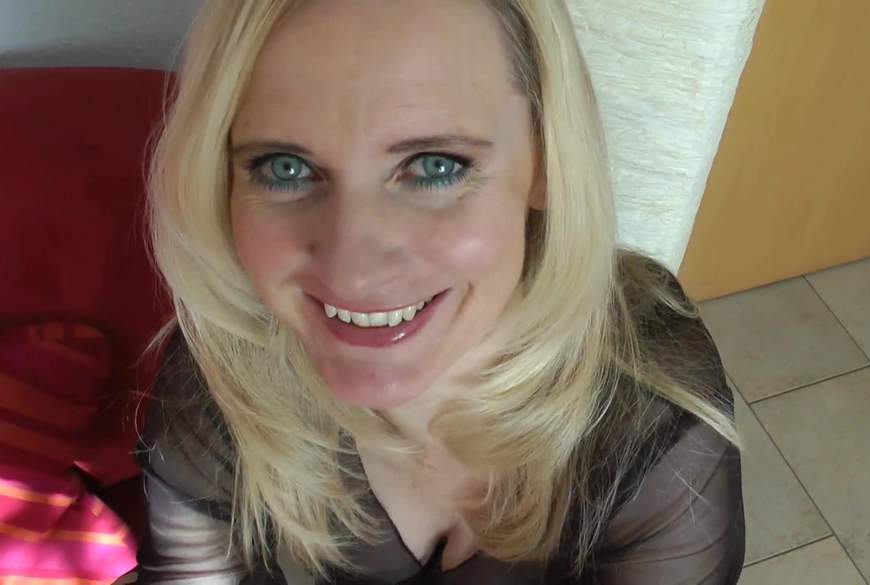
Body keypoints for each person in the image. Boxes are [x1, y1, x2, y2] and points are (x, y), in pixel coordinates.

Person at [136, 0, 745, 583]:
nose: (355, 274)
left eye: (435, 165)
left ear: (547, 156)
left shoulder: (644, 396)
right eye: (284, 168)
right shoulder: (228, 361)